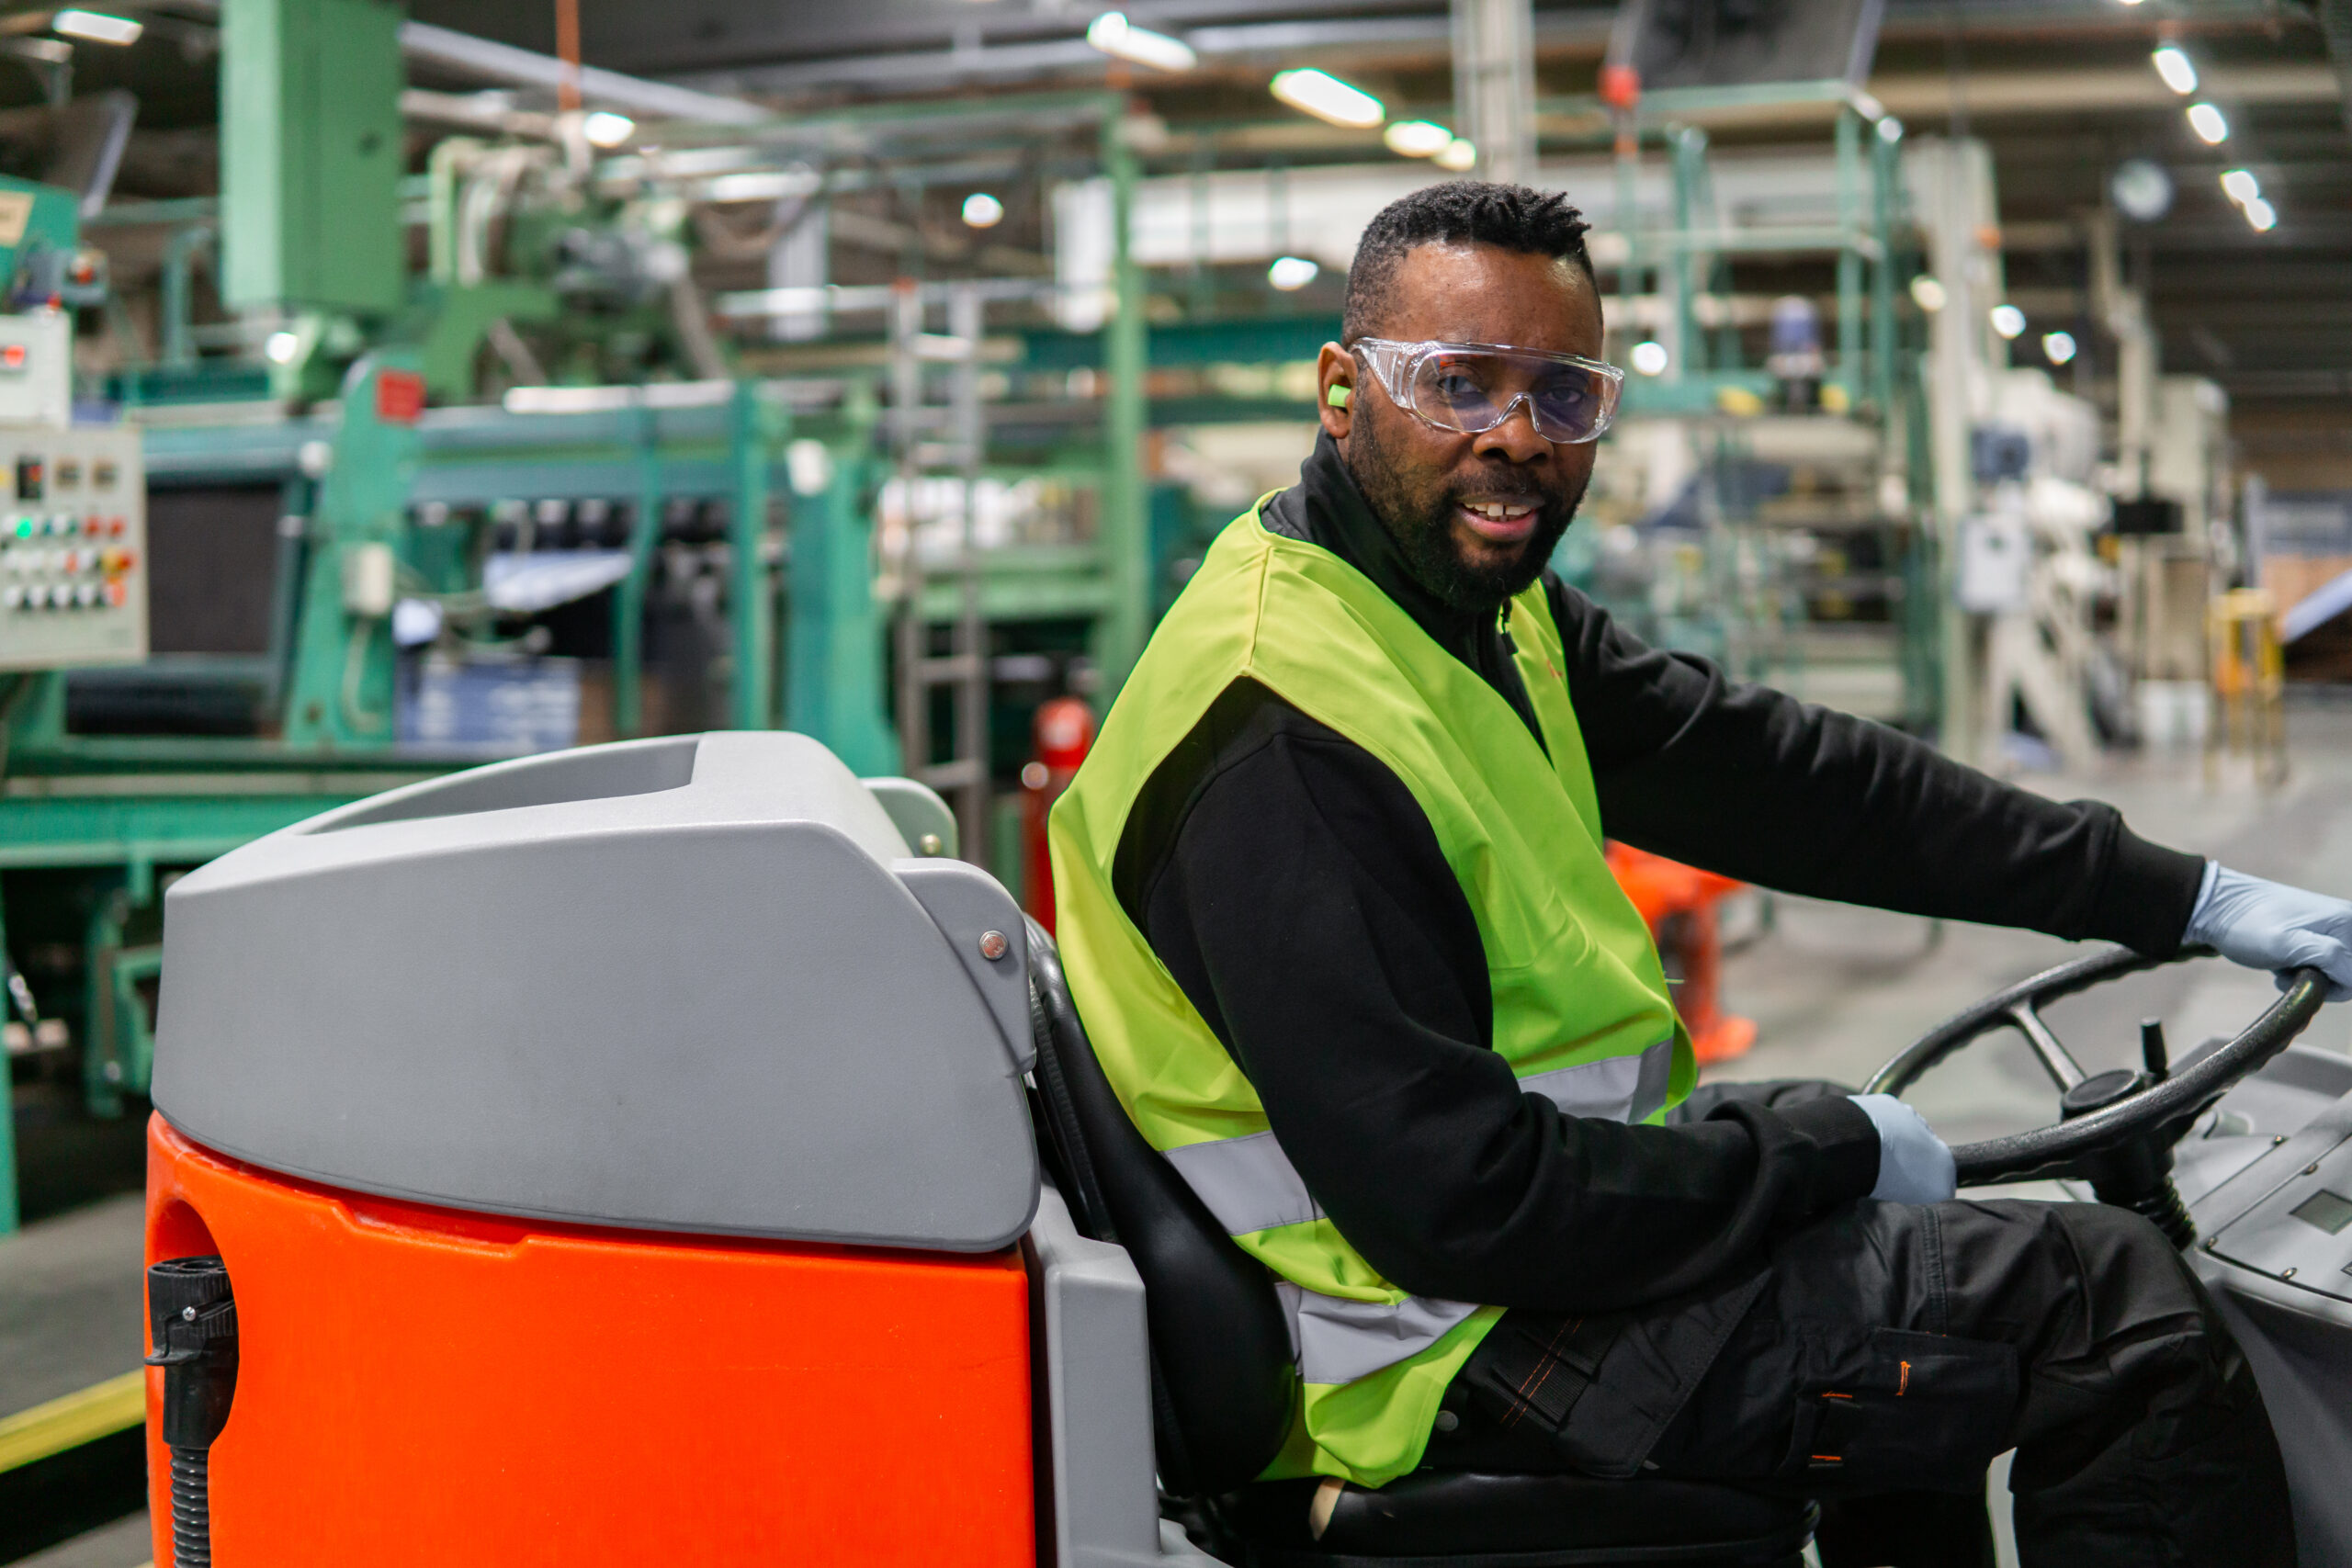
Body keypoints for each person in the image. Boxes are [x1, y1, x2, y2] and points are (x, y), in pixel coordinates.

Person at [1046, 182, 2349, 1568]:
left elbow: (1791, 783)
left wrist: (2182, 895)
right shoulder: (1283, 732)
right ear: (1342, 387)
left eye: (1564, 397)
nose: (1513, 440)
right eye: (1457, 384)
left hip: (1503, 1264)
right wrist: (1820, 1149)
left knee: (1910, 1285)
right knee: (2115, 1308)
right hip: (1435, 1350)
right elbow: (1461, 1205)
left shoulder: (1463, 600)